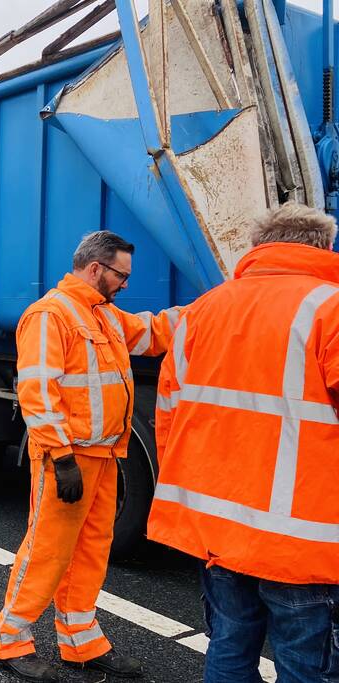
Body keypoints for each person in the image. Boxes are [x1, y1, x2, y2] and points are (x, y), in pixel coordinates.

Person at [149, 203, 339, 683]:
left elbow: (169, 419)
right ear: (323, 247)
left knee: (229, 648)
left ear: (260, 247)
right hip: (303, 542)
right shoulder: (329, 309)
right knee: (305, 666)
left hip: (219, 533)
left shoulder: (203, 311)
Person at [0, 231, 182, 682]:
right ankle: (9, 639)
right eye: (121, 275)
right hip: (69, 458)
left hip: (104, 454)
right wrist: (61, 456)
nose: (126, 285)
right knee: (47, 550)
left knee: (91, 551)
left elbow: (154, 332)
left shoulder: (106, 316)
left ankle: (80, 641)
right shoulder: (50, 315)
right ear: (96, 269)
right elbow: (37, 390)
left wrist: (215, 307)